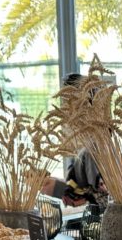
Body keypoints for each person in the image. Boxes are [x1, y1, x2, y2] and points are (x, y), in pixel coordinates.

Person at [41, 73, 108, 208]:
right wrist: (54, 183)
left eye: (69, 103)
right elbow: (83, 187)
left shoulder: (95, 146)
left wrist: (57, 189)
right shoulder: (84, 140)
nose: (65, 110)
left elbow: (104, 201)